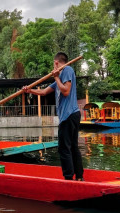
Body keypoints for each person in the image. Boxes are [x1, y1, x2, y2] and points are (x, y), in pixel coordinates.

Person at [22, 52, 84, 181]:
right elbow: (44, 92)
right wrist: (29, 90)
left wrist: (56, 77)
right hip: (71, 115)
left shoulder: (67, 69)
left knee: (63, 148)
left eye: (53, 63)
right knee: (72, 146)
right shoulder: (61, 77)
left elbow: (66, 91)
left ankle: (68, 178)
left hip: (69, 115)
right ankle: (79, 177)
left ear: (56, 63)